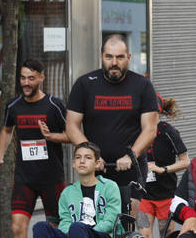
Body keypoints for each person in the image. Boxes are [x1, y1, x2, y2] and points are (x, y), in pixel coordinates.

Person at [0, 59, 69, 238]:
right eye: (23, 78)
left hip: (51, 178)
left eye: (31, 78)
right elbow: (7, 129)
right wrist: (0, 156)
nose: (26, 82)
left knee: (55, 230)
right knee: (17, 227)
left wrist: (51, 135)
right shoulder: (14, 105)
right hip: (25, 177)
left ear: (41, 78)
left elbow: (72, 135)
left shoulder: (55, 106)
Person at [66, 34, 158, 216]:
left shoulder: (142, 85)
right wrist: (91, 155)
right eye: (109, 57)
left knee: (131, 221)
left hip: (132, 169)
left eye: (120, 57)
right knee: (95, 221)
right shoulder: (84, 84)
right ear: (101, 56)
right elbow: (71, 126)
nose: (114, 62)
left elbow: (150, 129)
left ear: (129, 57)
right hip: (96, 169)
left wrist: (131, 156)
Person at [30, 142, 121, 238]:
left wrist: (81, 232)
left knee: (78, 227)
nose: (82, 161)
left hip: (100, 237)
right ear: (73, 164)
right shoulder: (67, 193)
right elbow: (65, 220)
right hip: (73, 236)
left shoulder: (110, 186)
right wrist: (70, 235)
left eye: (87, 157)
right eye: (78, 158)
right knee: (40, 227)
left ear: (97, 163)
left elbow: (111, 220)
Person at [138, 95, 189, 238]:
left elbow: (185, 161)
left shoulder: (168, 131)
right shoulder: (136, 132)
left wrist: (163, 169)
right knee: (144, 237)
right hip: (143, 196)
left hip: (165, 195)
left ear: (158, 112)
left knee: (166, 235)